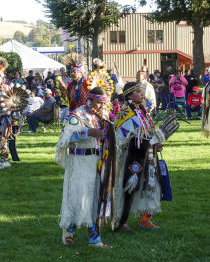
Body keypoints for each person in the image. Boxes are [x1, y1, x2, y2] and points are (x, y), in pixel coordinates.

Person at [113, 82, 179, 232]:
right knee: (129, 186)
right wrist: (147, 141)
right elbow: (122, 138)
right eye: (138, 92)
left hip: (148, 155)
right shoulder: (124, 114)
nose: (142, 94)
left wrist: (157, 144)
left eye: (142, 92)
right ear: (129, 95)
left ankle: (145, 218)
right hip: (131, 157)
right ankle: (123, 221)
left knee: (150, 183)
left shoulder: (143, 112)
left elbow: (150, 132)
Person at [56, 87, 115, 248]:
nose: (102, 107)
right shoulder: (77, 116)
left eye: (104, 103)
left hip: (98, 161)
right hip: (79, 161)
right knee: (79, 197)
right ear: (90, 100)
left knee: (97, 197)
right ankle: (69, 228)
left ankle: (94, 239)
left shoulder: (103, 116)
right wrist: (86, 132)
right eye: (99, 103)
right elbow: (64, 139)